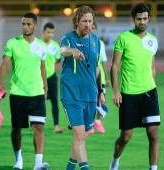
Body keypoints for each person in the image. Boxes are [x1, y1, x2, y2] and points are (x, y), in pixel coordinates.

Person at [109, 3, 160, 170]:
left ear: (149, 19)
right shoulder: (124, 38)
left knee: (153, 134)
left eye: (145, 19)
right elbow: (115, 66)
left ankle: (153, 168)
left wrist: (153, 82)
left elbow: (152, 65)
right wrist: (116, 92)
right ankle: (115, 161)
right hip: (129, 94)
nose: (142, 22)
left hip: (149, 93)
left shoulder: (153, 40)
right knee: (126, 137)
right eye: (139, 19)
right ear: (133, 19)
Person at [0, 13, 49, 170]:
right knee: (17, 129)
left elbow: (43, 67)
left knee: (39, 127)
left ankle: (38, 164)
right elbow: (4, 64)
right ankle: (18, 159)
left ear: (35, 25)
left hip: (37, 93)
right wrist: (0, 83)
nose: (25, 26)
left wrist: (45, 86)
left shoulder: (41, 45)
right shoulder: (12, 43)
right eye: (23, 24)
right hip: (18, 93)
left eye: (28, 24)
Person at [60, 5, 104, 170]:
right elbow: (62, 50)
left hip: (90, 95)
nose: (87, 24)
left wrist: (101, 90)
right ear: (77, 22)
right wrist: (72, 51)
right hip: (71, 94)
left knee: (81, 137)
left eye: (90, 21)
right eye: (84, 21)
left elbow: (96, 68)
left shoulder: (96, 41)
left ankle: (70, 167)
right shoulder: (68, 38)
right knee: (78, 134)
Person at [88, 22, 110, 134]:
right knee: (90, 102)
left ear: (95, 29)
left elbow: (103, 62)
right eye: (89, 27)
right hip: (88, 79)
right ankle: (90, 124)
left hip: (99, 78)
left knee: (101, 102)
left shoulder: (100, 43)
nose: (91, 29)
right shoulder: (83, 42)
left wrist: (107, 78)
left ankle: (97, 121)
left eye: (93, 28)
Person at [42, 22, 64, 133]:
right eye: (48, 32)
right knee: (39, 101)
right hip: (39, 78)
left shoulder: (55, 45)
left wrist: (51, 64)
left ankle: (56, 125)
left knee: (55, 101)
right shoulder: (37, 44)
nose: (50, 35)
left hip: (52, 77)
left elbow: (59, 58)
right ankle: (37, 123)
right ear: (43, 32)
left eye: (52, 33)